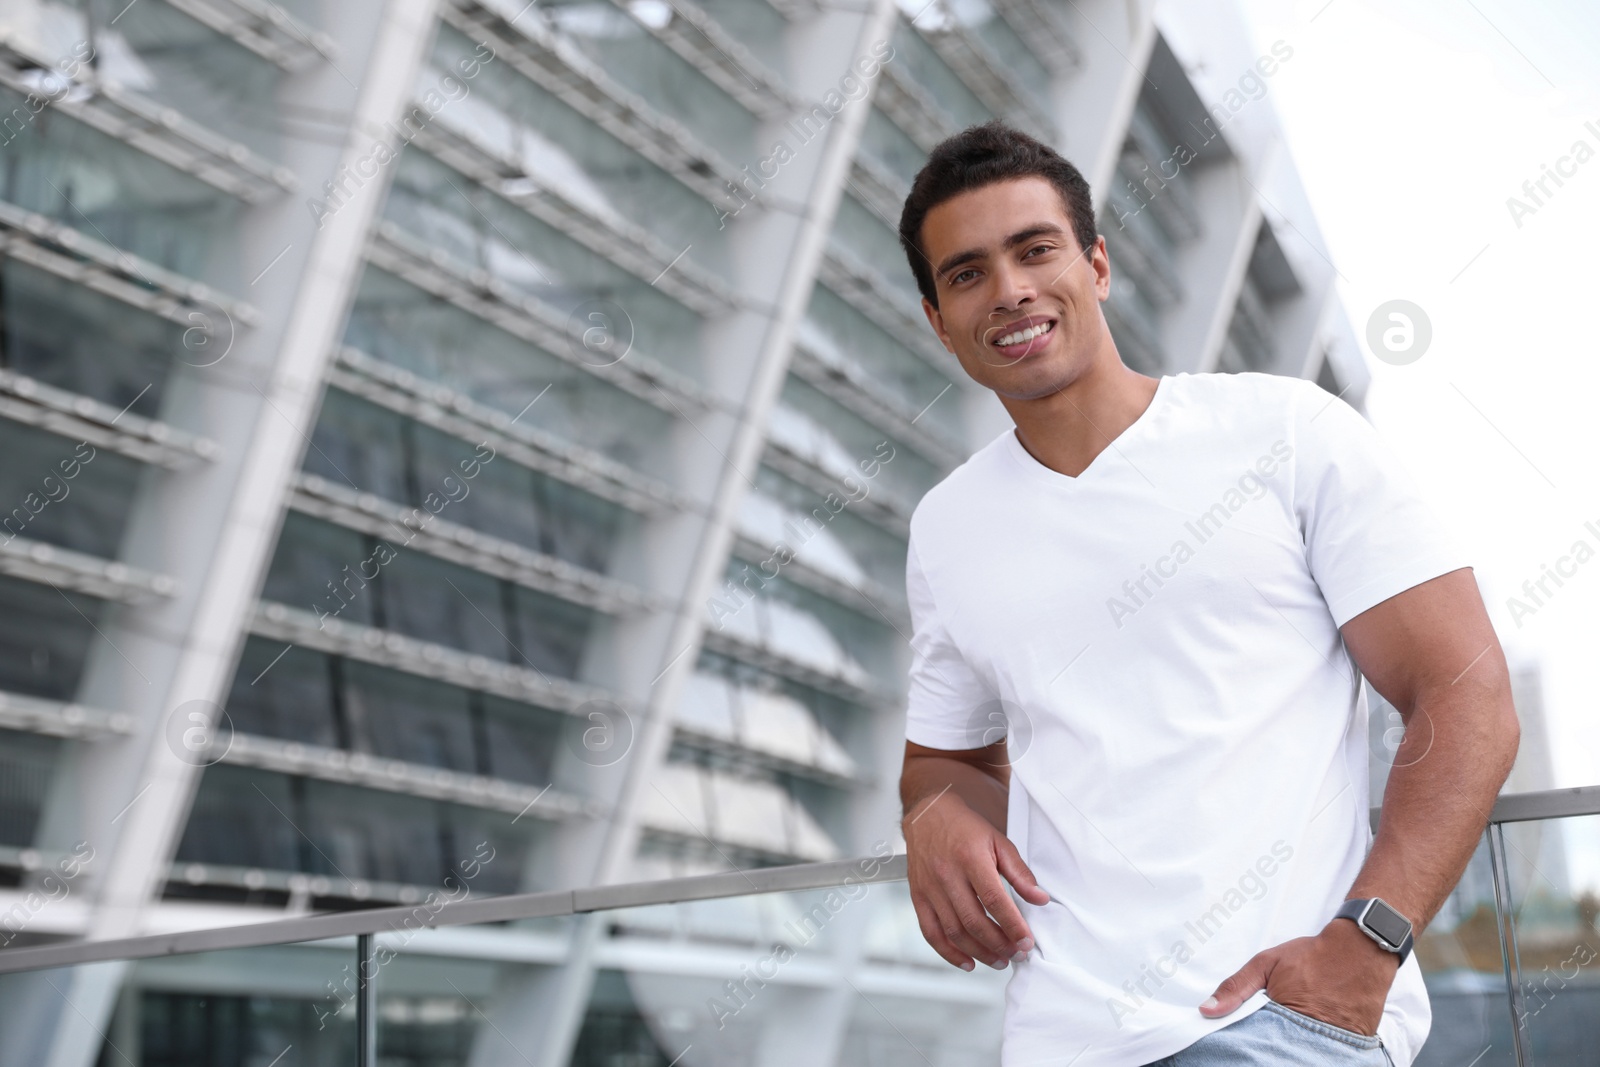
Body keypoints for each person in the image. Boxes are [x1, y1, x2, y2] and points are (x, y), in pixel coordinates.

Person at [894, 121, 1520, 1067]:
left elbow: (1468, 693)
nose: (1011, 289)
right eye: (967, 272)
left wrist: (1367, 945)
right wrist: (932, 812)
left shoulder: (1284, 430)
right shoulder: (947, 526)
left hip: (1274, 1022)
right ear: (940, 322)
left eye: (1036, 250)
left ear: (1097, 265)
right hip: (1056, 1038)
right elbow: (946, 759)